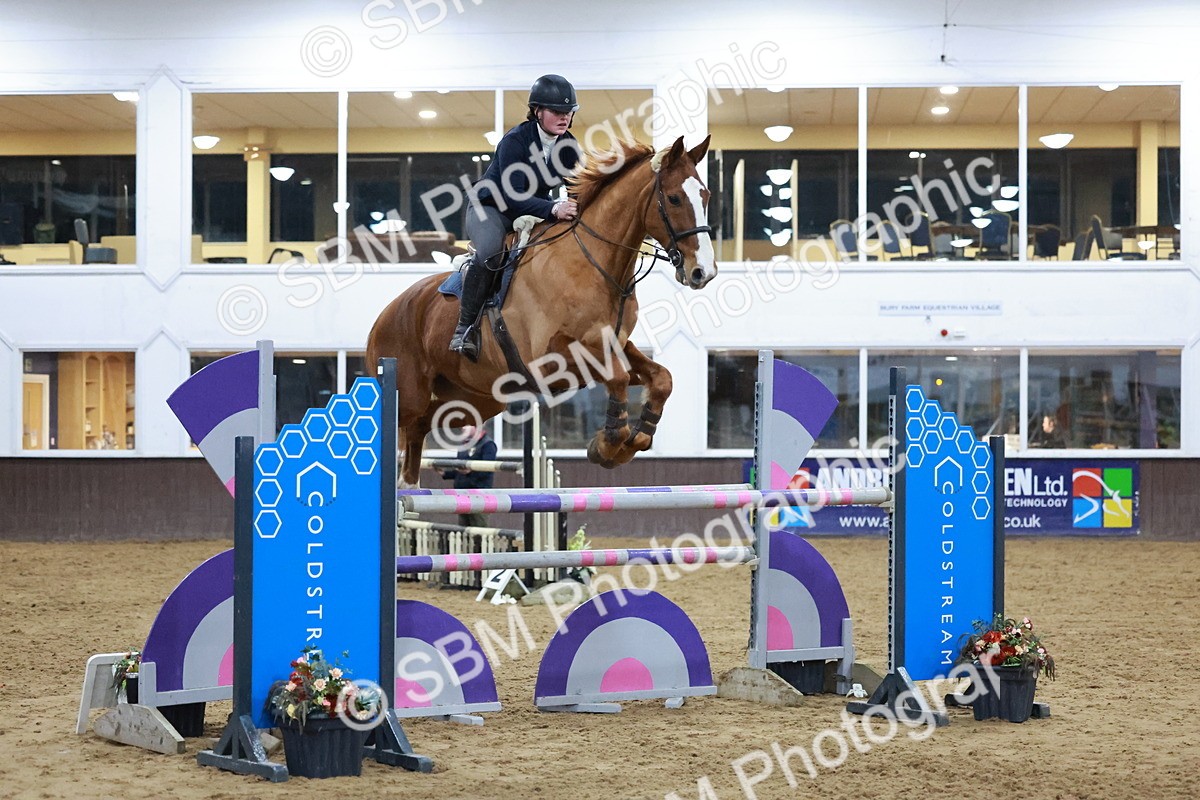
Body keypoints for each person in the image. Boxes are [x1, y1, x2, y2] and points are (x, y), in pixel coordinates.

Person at [449, 74, 583, 359]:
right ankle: (464, 329)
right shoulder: (515, 141)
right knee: (490, 252)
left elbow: (577, 189)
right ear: (537, 111)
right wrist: (553, 209)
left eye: (569, 112)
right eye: (557, 111)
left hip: (533, 210)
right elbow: (513, 196)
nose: (564, 118)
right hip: (491, 208)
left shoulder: (569, 146)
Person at [441, 425, 498, 528]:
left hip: (479, 497)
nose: (463, 427)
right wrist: (445, 473)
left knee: (479, 530)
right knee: (463, 530)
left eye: (467, 425)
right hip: (462, 495)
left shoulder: (488, 445)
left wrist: (470, 472)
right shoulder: (464, 445)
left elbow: (487, 470)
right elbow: (459, 469)